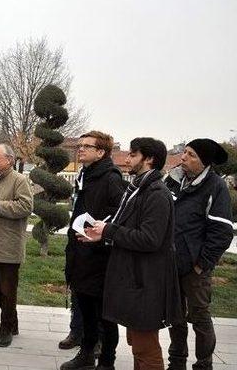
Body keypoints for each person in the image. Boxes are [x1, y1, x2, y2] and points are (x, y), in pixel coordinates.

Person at [82, 137, 182, 370]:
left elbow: (150, 238)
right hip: (135, 279)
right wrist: (103, 233)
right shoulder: (138, 188)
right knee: (137, 343)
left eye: (133, 155)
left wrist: (109, 230)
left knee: (145, 347)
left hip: (146, 281)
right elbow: (127, 229)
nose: (126, 160)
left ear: (149, 159)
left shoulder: (156, 193)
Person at [164, 138, 233, 370]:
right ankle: (177, 361)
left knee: (199, 316)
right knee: (175, 315)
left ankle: (204, 363)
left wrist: (201, 264)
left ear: (204, 162)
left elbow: (222, 231)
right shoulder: (173, 180)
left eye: (191, 155)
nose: (183, 157)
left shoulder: (215, 187)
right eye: (184, 152)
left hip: (196, 267)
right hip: (171, 262)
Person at [61, 131, 125, 370]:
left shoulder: (110, 177)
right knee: (86, 311)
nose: (80, 149)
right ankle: (86, 353)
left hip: (99, 257)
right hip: (80, 252)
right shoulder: (86, 174)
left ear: (101, 152)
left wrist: (98, 229)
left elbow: (119, 213)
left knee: (104, 317)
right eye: (79, 145)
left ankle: (107, 361)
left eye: (87, 146)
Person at [0, 143, 33, 347]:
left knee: (8, 289)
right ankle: (12, 322)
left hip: (9, 244)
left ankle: (7, 327)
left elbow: (26, 206)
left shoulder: (19, 180)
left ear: (10, 160)